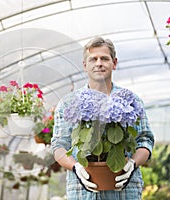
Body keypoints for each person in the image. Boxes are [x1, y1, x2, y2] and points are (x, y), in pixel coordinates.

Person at [51, 37, 155, 199]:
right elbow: (59, 146)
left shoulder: (131, 101)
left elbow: (145, 140)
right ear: (85, 66)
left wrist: (132, 164)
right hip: (82, 193)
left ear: (114, 63)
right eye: (93, 59)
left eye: (104, 58)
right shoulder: (68, 103)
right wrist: (76, 167)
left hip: (125, 192)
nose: (99, 63)